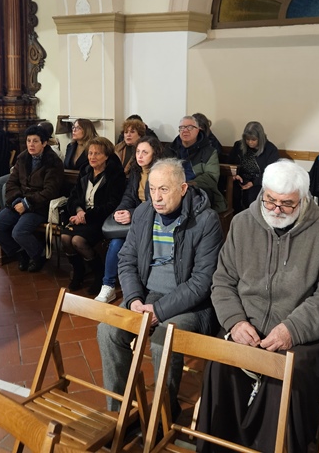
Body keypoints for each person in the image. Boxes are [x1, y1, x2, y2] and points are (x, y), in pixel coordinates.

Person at [198, 160, 319, 453]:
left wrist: (292, 329)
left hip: (299, 335)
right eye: (270, 200)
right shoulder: (242, 223)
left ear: (303, 199)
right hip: (246, 326)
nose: (276, 209)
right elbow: (223, 281)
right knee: (220, 364)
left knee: (286, 377)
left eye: (287, 204)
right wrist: (236, 322)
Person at [97, 158, 222, 418]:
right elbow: (127, 260)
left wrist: (159, 311)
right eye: (152, 189)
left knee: (161, 341)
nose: (157, 197)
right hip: (145, 297)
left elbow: (202, 282)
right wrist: (133, 299)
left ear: (183, 188)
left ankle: (163, 416)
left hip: (190, 304)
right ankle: (119, 414)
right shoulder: (144, 212)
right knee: (107, 330)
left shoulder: (206, 220)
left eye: (164, 189)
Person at [94, 135, 164, 303]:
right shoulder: (136, 171)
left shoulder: (160, 173)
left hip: (155, 220)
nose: (139, 156)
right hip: (137, 218)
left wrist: (132, 213)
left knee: (126, 243)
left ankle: (136, 288)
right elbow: (128, 196)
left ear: (154, 154)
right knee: (116, 242)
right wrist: (121, 210)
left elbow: (156, 203)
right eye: (138, 151)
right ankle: (108, 286)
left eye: (145, 152)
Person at [0, 125, 64, 269]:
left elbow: (50, 191)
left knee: (19, 232)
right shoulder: (23, 158)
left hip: (39, 206)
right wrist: (17, 200)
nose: (31, 145)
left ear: (44, 143)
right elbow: (11, 183)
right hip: (18, 202)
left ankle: (38, 255)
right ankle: (20, 253)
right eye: (29, 141)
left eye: (35, 141)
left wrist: (27, 203)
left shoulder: (53, 162)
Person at [62, 137, 126, 291]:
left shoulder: (115, 175)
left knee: (78, 241)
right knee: (65, 238)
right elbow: (74, 196)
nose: (92, 157)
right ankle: (78, 271)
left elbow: (112, 204)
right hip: (81, 216)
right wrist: (79, 211)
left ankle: (99, 273)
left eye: (97, 153)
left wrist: (87, 216)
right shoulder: (85, 171)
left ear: (106, 156)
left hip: (100, 219)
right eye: (90, 153)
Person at [168, 115, 226, 213]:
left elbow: (211, 177)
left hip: (199, 189)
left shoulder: (209, 151)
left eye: (189, 127)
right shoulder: (171, 149)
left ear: (198, 130)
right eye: (182, 127)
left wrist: (189, 184)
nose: (185, 130)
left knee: (190, 196)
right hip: (174, 187)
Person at [228, 121, 280, 212]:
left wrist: (254, 182)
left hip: (259, 182)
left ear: (260, 138)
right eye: (247, 139)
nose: (250, 142)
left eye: (253, 139)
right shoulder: (238, 146)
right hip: (240, 179)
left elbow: (272, 173)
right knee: (232, 192)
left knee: (252, 196)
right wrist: (234, 174)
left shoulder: (270, 149)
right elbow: (230, 162)